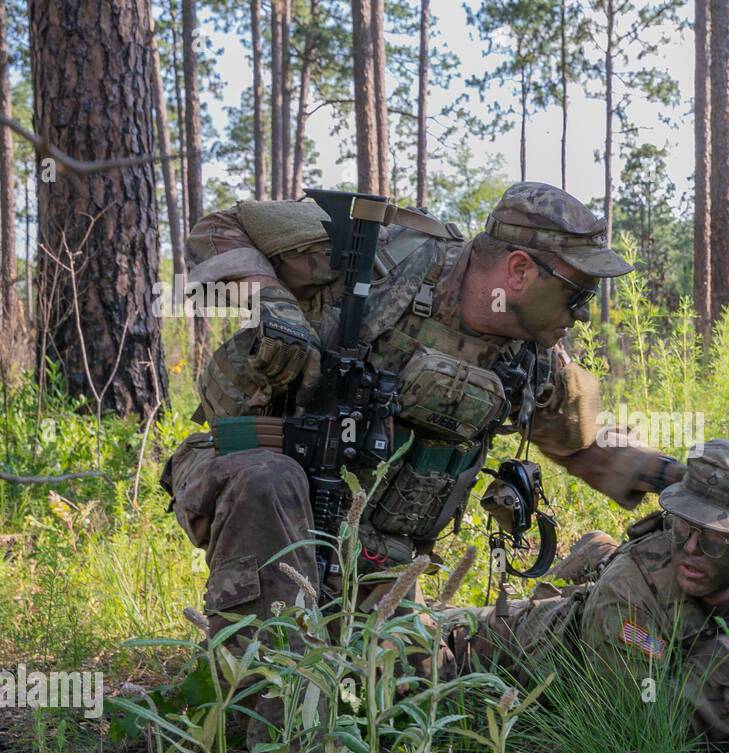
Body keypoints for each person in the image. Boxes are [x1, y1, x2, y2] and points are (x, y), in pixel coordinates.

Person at [161, 182, 683, 639]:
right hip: (247, 465)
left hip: (374, 561)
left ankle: (582, 570)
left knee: (413, 675)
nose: (585, 312)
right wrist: (274, 308)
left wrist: (689, 481)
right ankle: (267, 709)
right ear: (520, 270)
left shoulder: (536, 361)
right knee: (268, 482)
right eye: (578, 292)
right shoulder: (380, 258)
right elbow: (219, 227)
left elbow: (588, 448)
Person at [442, 439, 729, 741]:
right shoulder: (628, 592)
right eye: (681, 527)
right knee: (412, 646)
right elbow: (645, 726)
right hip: (503, 648)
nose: (690, 548)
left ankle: (595, 555)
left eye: (715, 540)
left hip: (599, 619)